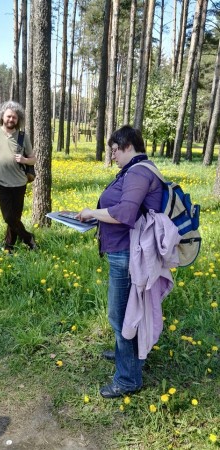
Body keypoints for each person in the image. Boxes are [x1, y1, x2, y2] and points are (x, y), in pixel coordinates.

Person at [77, 125, 165, 399]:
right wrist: (96, 216)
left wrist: (93, 212)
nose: (112, 155)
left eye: (115, 150)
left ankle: (127, 379)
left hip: (127, 255)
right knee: (127, 313)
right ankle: (125, 354)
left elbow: (126, 213)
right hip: (124, 251)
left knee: (120, 315)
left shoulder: (138, 172)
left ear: (128, 146)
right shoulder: (135, 170)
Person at [0, 100, 37, 252]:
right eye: (9, 116)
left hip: (19, 183)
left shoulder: (23, 136)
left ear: (18, 120)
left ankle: (9, 247)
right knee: (8, 217)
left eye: (15, 118)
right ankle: (28, 237)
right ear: (2, 116)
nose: (11, 119)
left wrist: (24, 160)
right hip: (1, 183)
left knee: (14, 218)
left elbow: (33, 158)